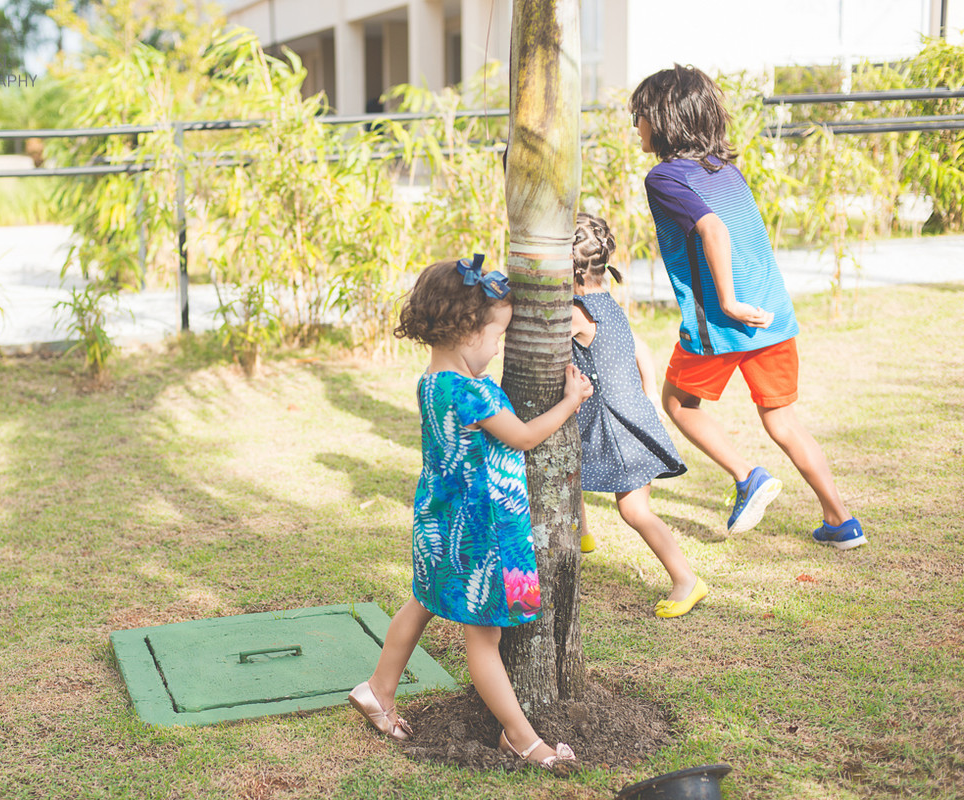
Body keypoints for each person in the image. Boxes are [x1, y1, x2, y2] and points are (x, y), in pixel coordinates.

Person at [348, 255, 593, 769]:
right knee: (485, 637)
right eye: (497, 335)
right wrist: (571, 400)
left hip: (439, 522)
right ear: (467, 333)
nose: (499, 346)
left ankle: (378, 688)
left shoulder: (430, 383)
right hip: (483, 531)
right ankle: (523, 737)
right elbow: (524, 437)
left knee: (422, 602)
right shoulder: (473, 391)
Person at [629, 64, 865, 549]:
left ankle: (746, 476)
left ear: (664, 120)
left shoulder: (664, 177)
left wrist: (730, 303)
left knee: (677, 402)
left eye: (641, 116)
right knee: (782, 420)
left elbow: (713, 230)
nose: (637, 128)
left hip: (722, 321)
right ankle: (840, 521)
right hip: (773, 316)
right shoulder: (727, 171)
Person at [569, 213, 706, 618]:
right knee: (567, 466)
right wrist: (647, 396)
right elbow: (642, 350)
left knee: (634, 511)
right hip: (625, 417)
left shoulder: (576, 313)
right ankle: (582, 534)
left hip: (620, 429)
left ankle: (686, 579)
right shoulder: (606, 302)